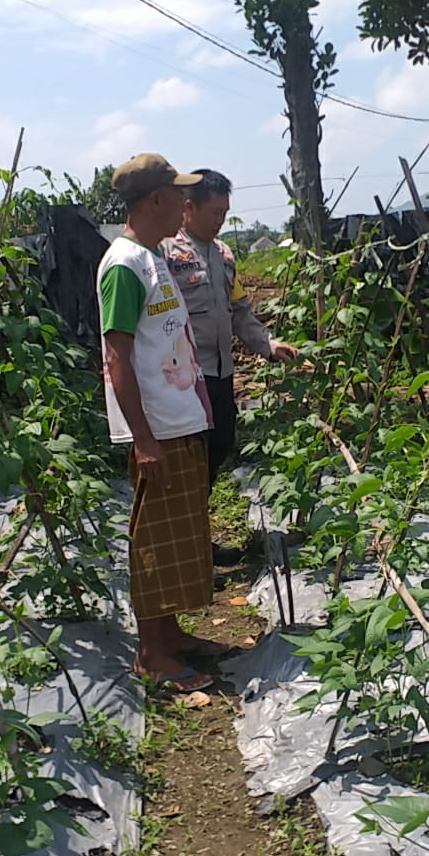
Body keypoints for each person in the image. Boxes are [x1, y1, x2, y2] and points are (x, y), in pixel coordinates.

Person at [98, 153, 229, 693]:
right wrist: (145, 440)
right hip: (157, 431)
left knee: (179, 537)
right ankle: (152, 654)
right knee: (155, 541)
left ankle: (170, 634)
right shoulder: (125, 265)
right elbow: (117, 359)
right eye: (178, 194)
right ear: (156, 200)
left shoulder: (152, 258)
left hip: (178, 421)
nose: (185, 203)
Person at [162, 169, 297, 564]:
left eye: (225, 211)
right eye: (215, 211)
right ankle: (185, 547)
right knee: (187, 462)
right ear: (188, 207)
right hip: (183, 378)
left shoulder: (223, 255)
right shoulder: (166, 254)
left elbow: (240, 312)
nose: (220, 219)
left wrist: (267, 345)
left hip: (219, 375)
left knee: (218, 448)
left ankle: (195, 539)